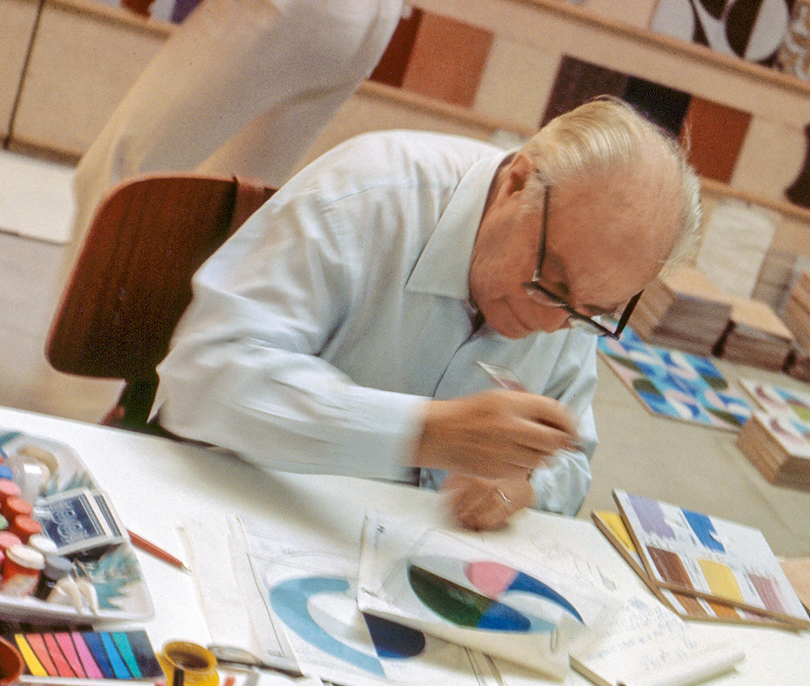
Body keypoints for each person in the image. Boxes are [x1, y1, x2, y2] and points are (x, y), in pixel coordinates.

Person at [155, 97, 703, 528]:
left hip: (388, 553)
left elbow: (572, 461)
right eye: (549, 282)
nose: (547, 325)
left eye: (592, 311)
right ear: (516, 183)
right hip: (233, 504)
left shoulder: (578, 285)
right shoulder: (370, 192)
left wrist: (520, 485)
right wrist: (421, 433)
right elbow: (203, 376)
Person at [69, 0, 402, 247]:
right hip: (374, 18)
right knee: (222, 216)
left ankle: (82, 325)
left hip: (290, 9)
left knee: (121, 178)